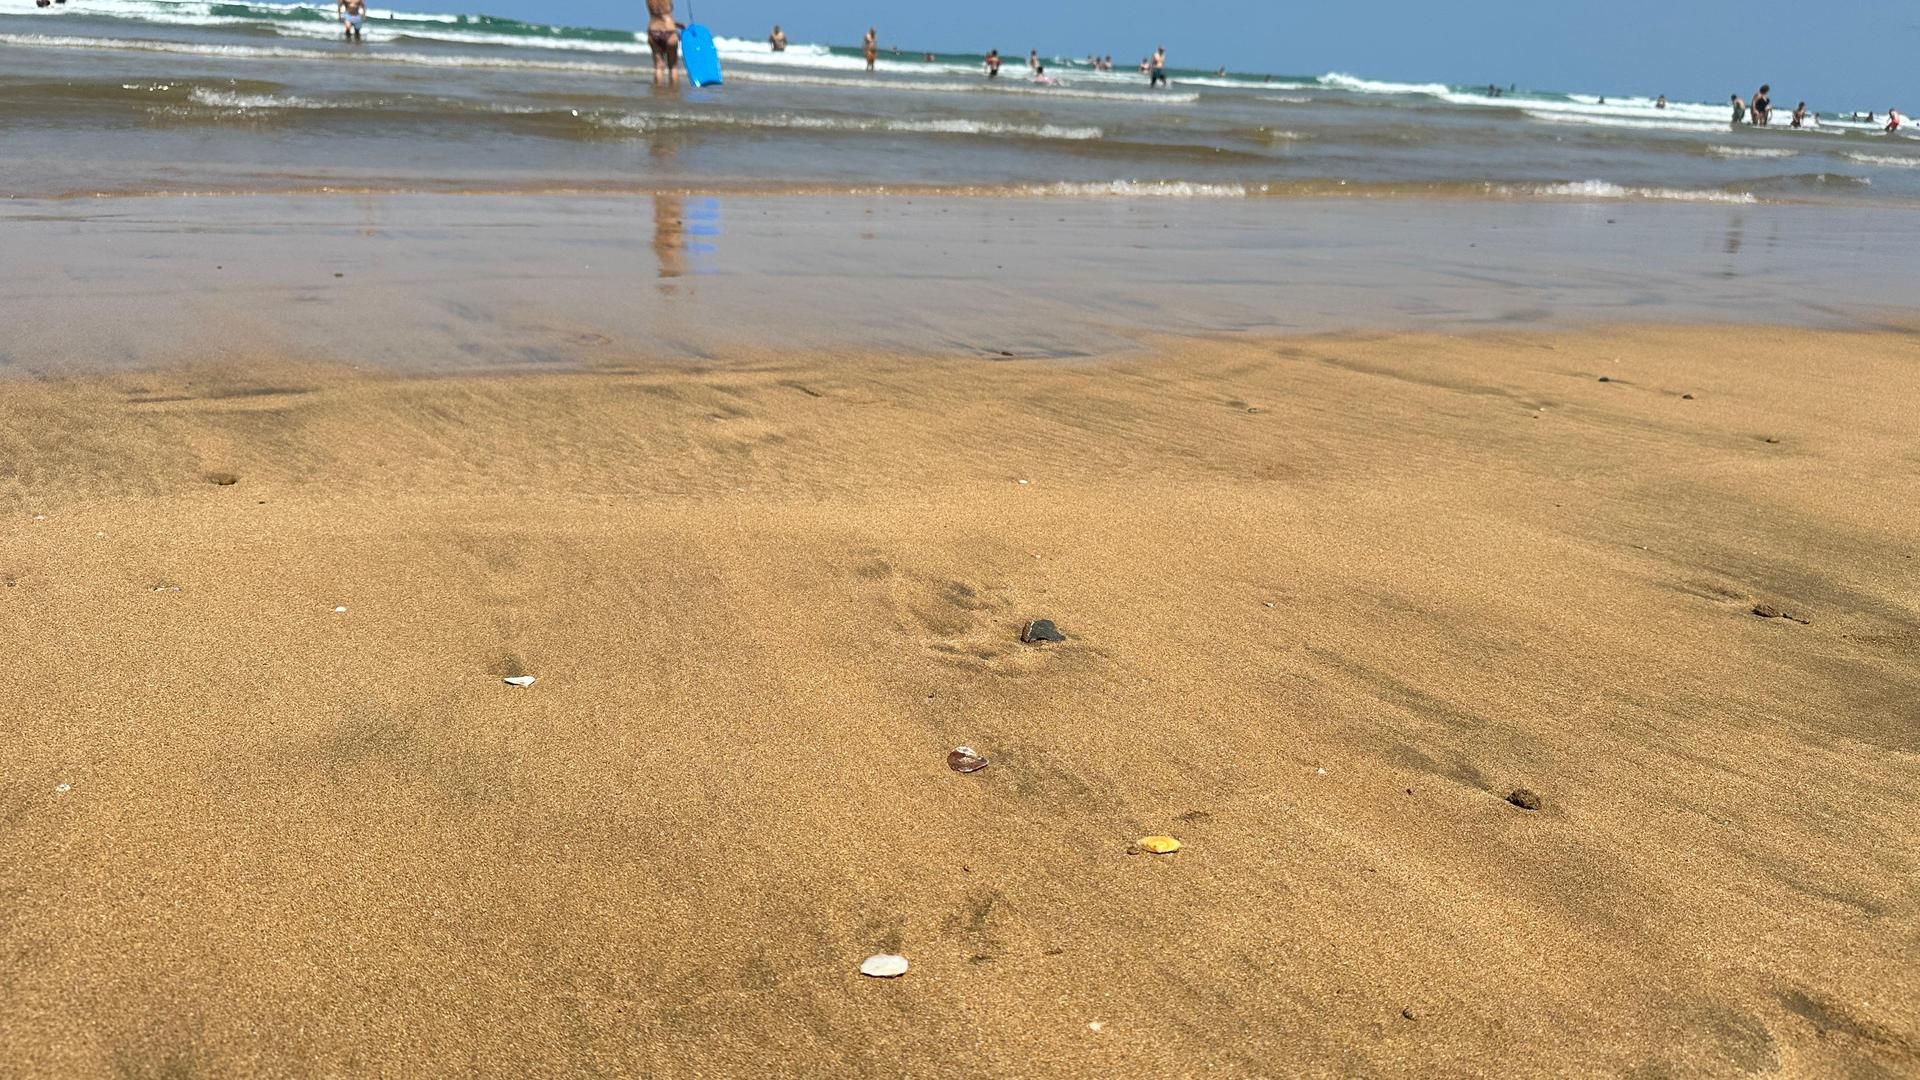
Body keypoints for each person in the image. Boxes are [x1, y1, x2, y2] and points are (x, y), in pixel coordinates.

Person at [646, 0, 680, 87]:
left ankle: (658, 91)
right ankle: (673, 91)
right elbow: (666, 12)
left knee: (658, 67)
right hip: (669, 29)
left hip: (653, 29)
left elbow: (659, 14)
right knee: (673, 67)